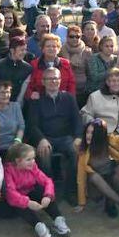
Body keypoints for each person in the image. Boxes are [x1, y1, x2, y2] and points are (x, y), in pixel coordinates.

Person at [26, 67, 82, 204]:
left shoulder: (69, 98)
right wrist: (41, 139)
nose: (54, 81)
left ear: (60, 80)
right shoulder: (36, 100)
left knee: (76, 151)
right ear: (43, 82)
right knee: (44, 153)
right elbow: (32, 125)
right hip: (46, 138)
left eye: (56, 78)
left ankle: (70, 191)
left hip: (65, 137)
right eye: (50, 79)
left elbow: (77, 119)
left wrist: (78, 137)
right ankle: (49, 191)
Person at [2, 142, 71, 237]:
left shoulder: (33, 166)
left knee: (43, 191)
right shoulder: (8, 171)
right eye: (28, 159)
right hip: (17, 197)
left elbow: (47, 181)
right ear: (18, 161)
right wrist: (28, 203)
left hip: (30, 190)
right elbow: (11, 193)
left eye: (33, 158)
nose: (32, 161)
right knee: (21, 206)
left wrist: (48, 195)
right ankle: (38, 225)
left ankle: (58, 219)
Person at [75, 119, 119, 221]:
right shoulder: (83, 151)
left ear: (99, 135)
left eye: (92, 133)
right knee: (94, 176)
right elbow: (81, 178)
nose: (88, 135)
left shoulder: (110, 140)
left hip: (111, 180)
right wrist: (81, 203)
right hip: (96, 188)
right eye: (87, 132)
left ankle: (110, 202)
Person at [81, 67, 119, 135]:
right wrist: (95, 125)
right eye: (113, 81)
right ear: (107, 82)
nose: (116, 83)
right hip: (102, 134)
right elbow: (85, 114)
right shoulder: (94, 96)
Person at [59, 25, 93, 101]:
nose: (75, 39)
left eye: (77, 37)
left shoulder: (86, 51)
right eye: (72, 36)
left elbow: (90, 72)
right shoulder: (61, 51)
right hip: (66, 88)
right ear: (67, 37)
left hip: (83, 89)